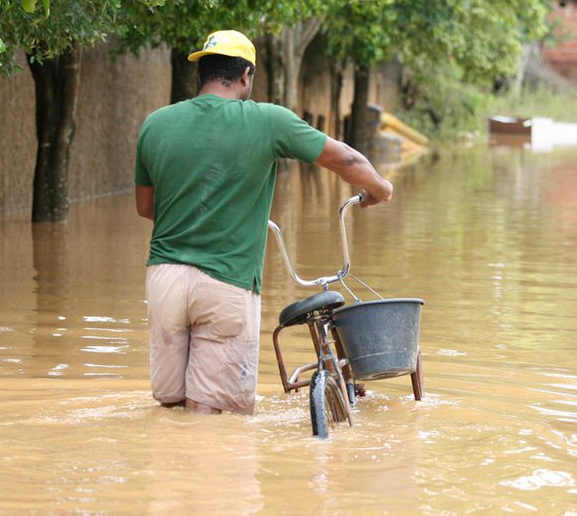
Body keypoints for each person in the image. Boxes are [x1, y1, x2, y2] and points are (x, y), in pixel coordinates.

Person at [134, 30, 393, 415]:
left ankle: (168, 469)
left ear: (200, 74)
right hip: (226, 281)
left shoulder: (156, 124)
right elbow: (346, 161)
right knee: (211, 417)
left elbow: (146, 207)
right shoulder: (267, 120)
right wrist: (380, 187)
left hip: (164, 281)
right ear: (246, 75)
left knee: (171, 406)